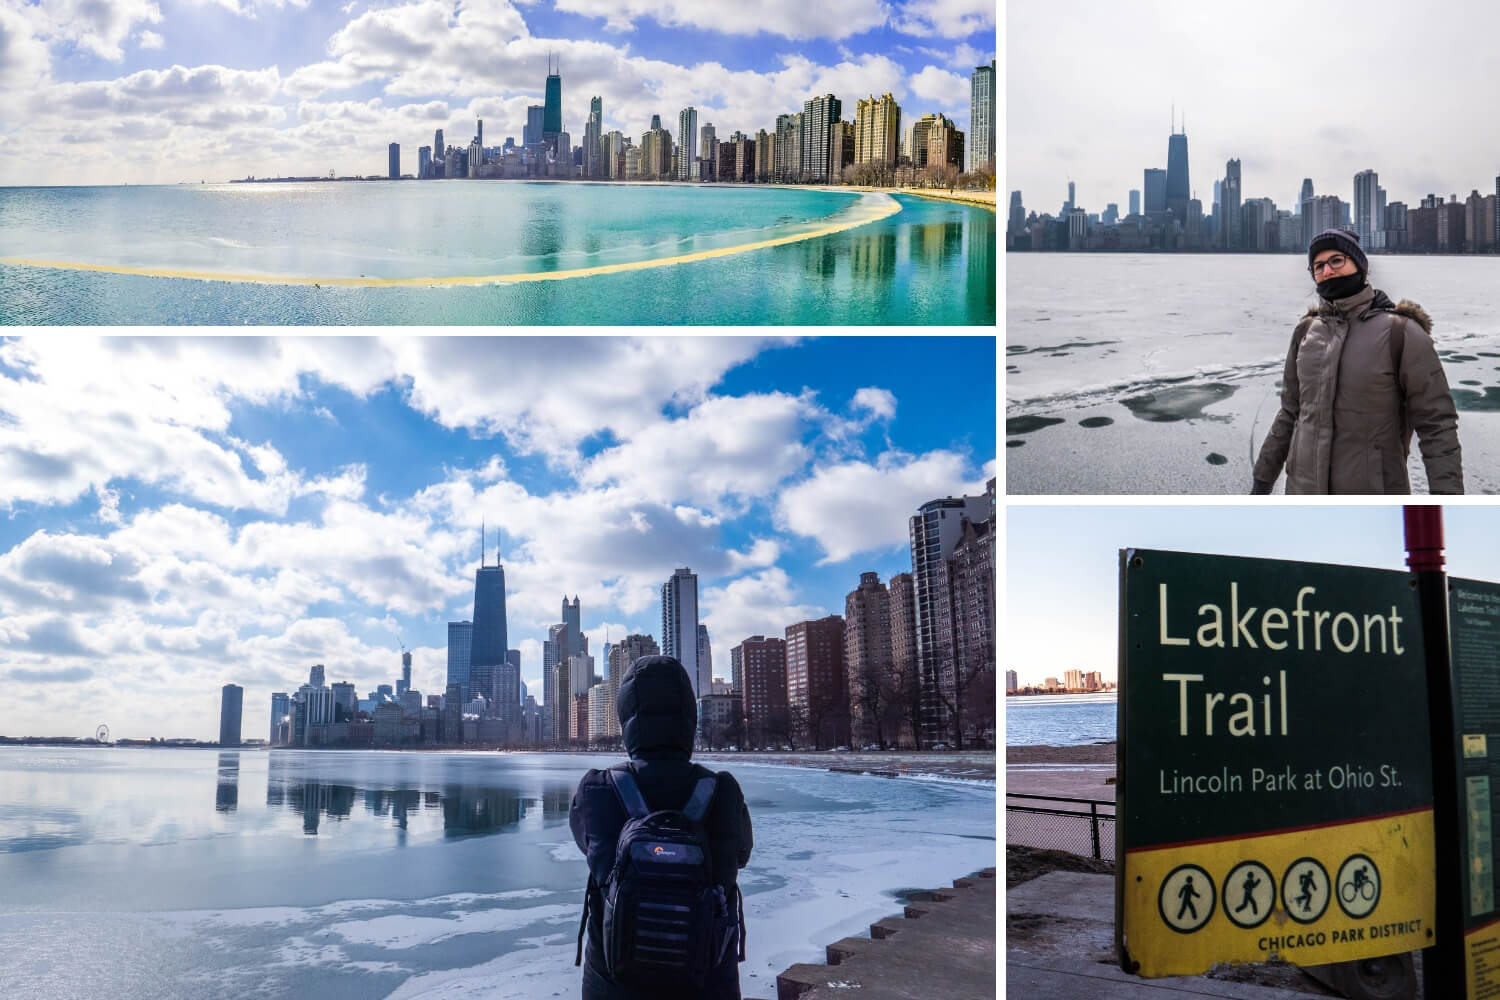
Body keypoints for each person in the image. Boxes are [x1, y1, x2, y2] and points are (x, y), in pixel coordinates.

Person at [570, 655, 754, 1000]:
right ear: (689, 716)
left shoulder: (597, 789)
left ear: (627, 719)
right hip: (707, 981)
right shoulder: (723, 790)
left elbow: (587, 844)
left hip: (615, 983)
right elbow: (741, 854)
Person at [1251, 228, 1463, 494]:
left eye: (1336, 260)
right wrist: (1262, 482)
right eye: (1318, 266)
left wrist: (1448, 499)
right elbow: (1289, 413)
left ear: (1359, 265)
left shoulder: (1402, 333)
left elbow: (1437, 425)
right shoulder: (1306, 332)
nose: (1327, 271)